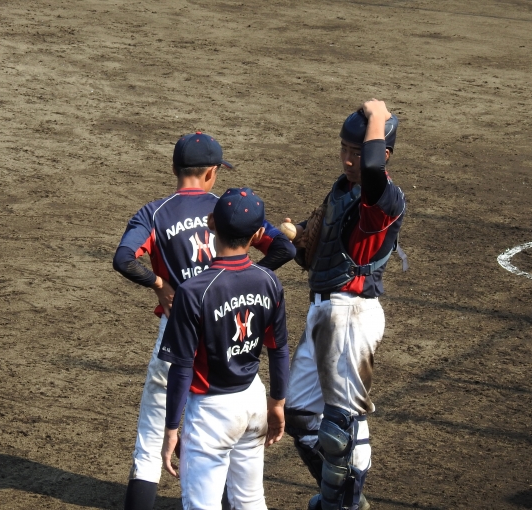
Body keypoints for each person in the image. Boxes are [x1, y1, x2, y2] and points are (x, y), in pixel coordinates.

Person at [113, 133, 295, 510]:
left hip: (177, 334)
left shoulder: (155, 213)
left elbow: (124, 258)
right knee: (241, 458)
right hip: (230, 331)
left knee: (153, 440)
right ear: (212, 172)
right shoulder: (230, 208)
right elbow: (285, 246)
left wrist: (160, 284)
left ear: (174, 168)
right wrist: (247, 277)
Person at [282, 99, 406, 510]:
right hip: (323, 311)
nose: (349, 160)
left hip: (352, 311)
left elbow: (371, 170)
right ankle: (345, 498)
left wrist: (378, 116)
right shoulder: (341, 192)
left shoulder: (383, 198)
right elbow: (318, 246)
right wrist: (286, 236)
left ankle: (343, 503)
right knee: (301, 416)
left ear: (384, 153)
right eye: (344, 150)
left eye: (357, 151)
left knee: (340, 426)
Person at [159, 187, 289, 510]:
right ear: (257, 234)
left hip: (211, 411)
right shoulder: (269, 281)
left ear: (211, 223)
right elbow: (278, 349)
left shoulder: (193, 291)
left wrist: (171, 428)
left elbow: (182, 367)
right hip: (253, 400)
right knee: (250, 500)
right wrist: (277, 403)